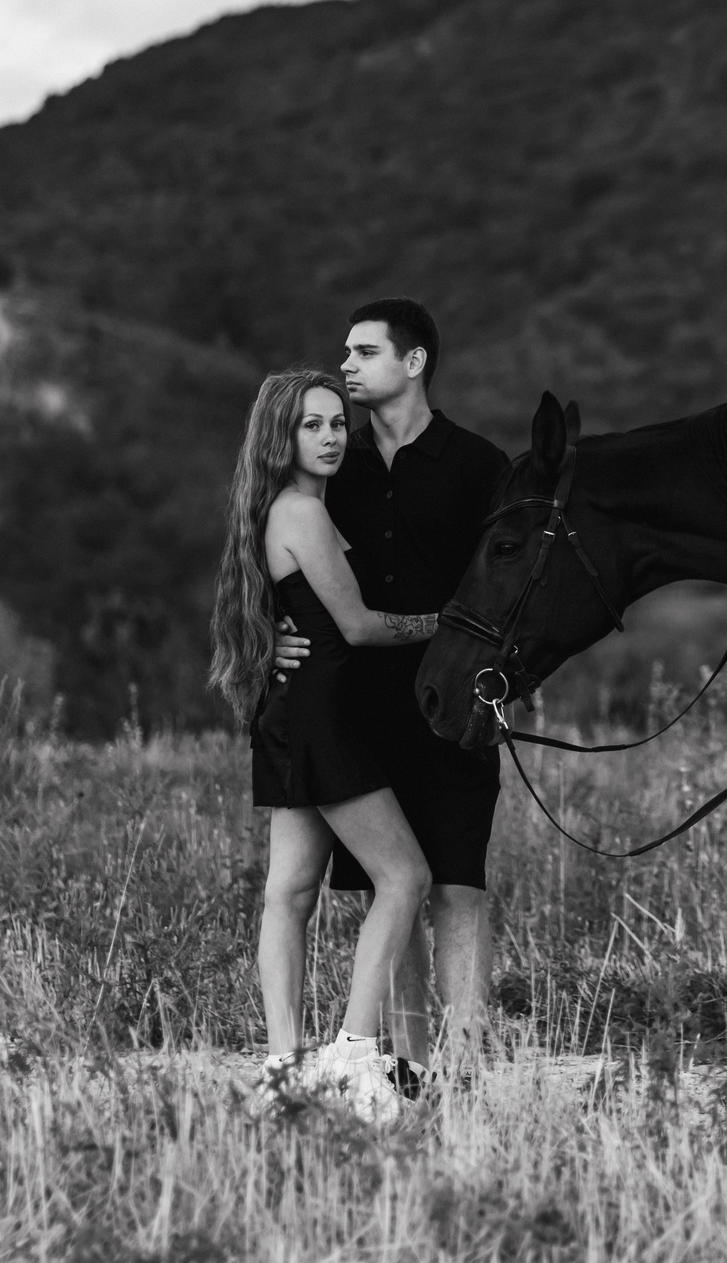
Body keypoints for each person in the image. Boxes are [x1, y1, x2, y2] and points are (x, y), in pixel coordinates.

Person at [206, 369, 447, 1119]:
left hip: (292, 711)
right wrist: (449, 625)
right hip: (322, 717)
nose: (332, 436)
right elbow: (361, 625)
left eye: (338, 422)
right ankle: (351, 1048)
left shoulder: (287, 507)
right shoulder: (301, 514)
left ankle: (281, 1068)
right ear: (283, 433)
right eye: (313, 425)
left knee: (289, 891)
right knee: (404, 875)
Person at [274, 297, 509, 1066]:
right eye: (346, 352)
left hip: (457, 712)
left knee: (459, 889)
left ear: (413, 362)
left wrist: (506, 670)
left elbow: (515, 585)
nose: (347, 367)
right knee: (395, 891)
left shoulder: (479, 466)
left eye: (364, 352)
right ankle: (408, 1067)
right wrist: (269, 635)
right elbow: (271, 556)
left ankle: (466, 1066)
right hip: (360, 710)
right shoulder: (333, 466)